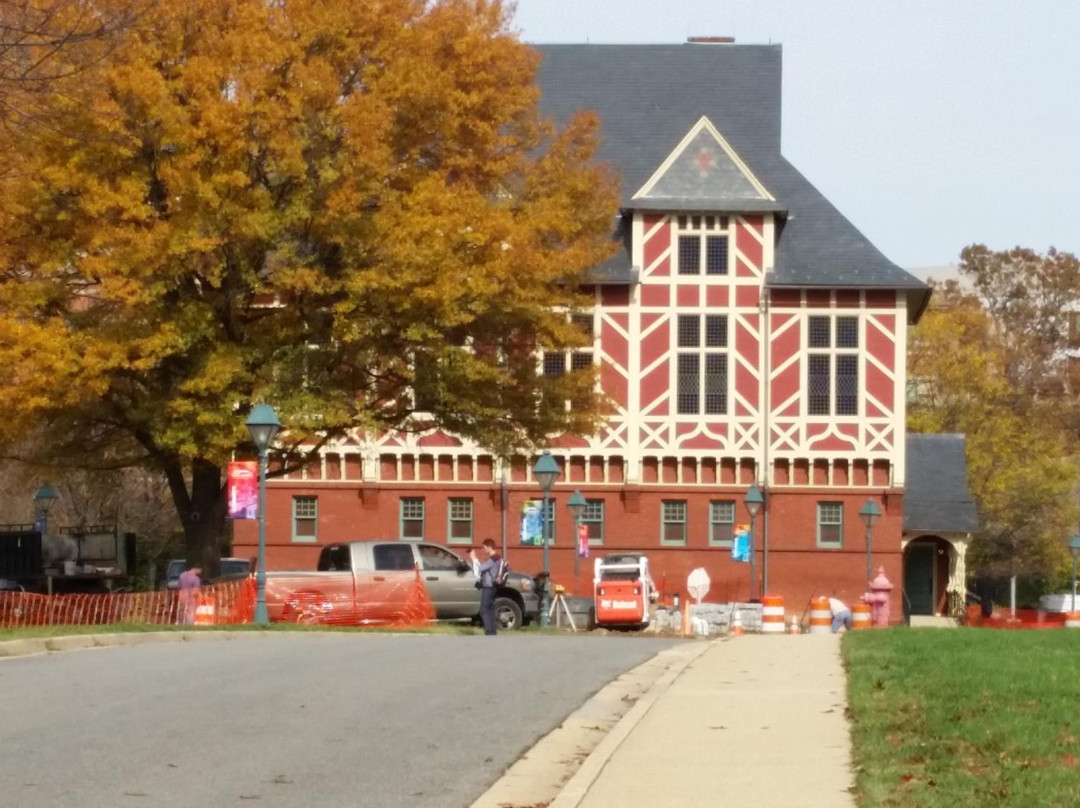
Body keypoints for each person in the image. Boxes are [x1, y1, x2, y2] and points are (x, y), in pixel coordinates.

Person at [469, 539, 501, 636]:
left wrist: (474, 558)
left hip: (489, 586)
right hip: (493, 586)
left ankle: (489, 631)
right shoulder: (497, 558)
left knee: (484, 609)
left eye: (484, 548)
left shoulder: (493, 559)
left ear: (489, 547)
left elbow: (480, 569)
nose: (483, 550)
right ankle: (493, 631)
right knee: (490, 609)